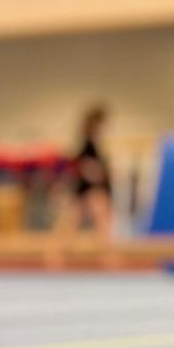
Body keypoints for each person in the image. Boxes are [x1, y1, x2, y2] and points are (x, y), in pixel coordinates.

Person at [50, 104, 116, 269]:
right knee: (100, 223)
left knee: (75, 223)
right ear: (96, 123)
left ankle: (56, 257)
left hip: (87, 189)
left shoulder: (91, 142)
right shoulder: (87, 143)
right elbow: (81, 165)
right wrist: (99, 173)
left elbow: (79, 163)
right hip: (90, 189)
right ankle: (108, 259)